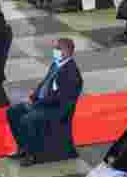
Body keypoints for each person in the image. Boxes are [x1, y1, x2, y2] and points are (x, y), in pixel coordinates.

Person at [6, 38, 83, 166]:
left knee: (27, 119)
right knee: (12, 112)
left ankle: (32, 154)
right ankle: (23, 147)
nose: (55, 51)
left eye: (58, 48)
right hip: (43, 103)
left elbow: (59, 98)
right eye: (55, 48)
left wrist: (36, 104)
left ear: (67, 52)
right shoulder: (56, 64)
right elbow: (44, 84)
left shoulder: (72, 73)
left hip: (56, 109)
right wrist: (33, 96)